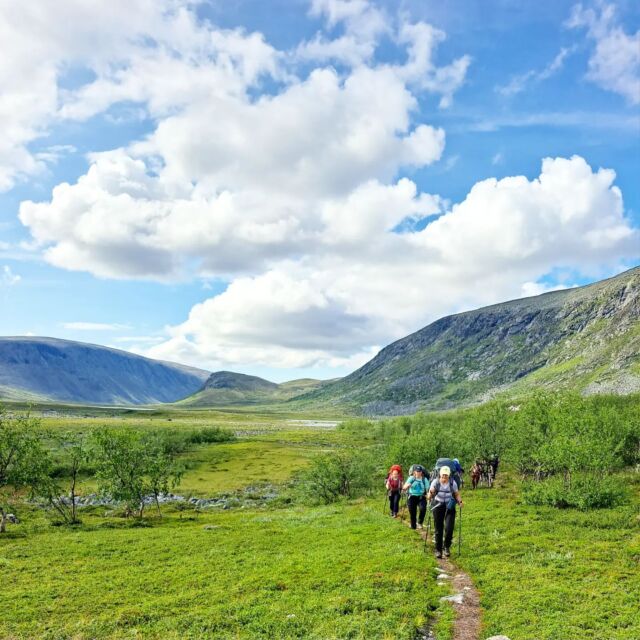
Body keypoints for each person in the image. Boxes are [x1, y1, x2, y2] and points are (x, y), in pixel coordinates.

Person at [426, 465, 463, 559]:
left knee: (449, 528)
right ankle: (438, 550)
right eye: (443, 475)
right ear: (440, 475)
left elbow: (456, 494)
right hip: (438, 505)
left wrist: (460, 502)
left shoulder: (452, 483)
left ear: (449, 475)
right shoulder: (435, 482)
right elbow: (429, 496)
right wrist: (430, 493)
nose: (444, 477)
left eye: (446, 476)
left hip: (449, 506)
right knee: (439, 529)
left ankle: (446, 546)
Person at [402, 465, 428, 530]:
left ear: (421, 472)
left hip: (421, 497)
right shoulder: (411, 478)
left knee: (423, 509)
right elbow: (404, 487)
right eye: (417, 471)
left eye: (419, 471)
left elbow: (428, 489)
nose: (418, 473)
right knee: (412, 511)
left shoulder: (424, 479)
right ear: (414, 472)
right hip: (412, 496)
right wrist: (407, 485)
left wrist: (429, 495)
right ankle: (413, 526)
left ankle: (420, 523)